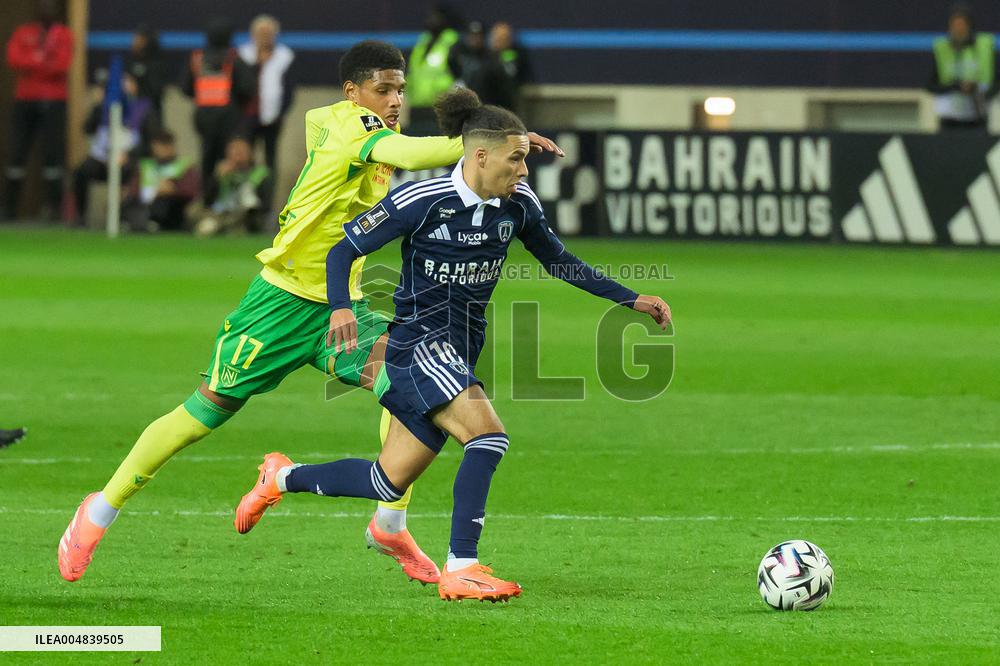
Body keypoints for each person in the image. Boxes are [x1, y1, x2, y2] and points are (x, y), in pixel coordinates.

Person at [56, 40, 562, 584]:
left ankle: (390, 521)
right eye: (383, 89)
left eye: (400, 89)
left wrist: (495, 146)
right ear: (353, 92)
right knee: (204, 412)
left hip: (341, 310)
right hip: (279, 302)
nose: (395, 100)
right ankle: (99, 509)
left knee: (410, 382)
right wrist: (482, 141)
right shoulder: (352, 127)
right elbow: (415, 156)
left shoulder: (376, 137)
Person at [234, 90, 670, 602]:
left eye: (525, 158)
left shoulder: (520, 205)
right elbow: (344, 248)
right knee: (488, 438)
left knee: (386, 481)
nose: (525, 171)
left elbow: (559, 260)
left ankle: (280, 477)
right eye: (516, 158)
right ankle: (462, 565)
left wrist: (630, 298)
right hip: (419, 343)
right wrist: (341, 307)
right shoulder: (420, 200)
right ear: (479, 156)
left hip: (459, 348)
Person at [3, 0, 74, 221]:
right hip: (25, 99)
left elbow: (62, 65)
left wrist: (35, 62)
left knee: (53, 155)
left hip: (54, 100)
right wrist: (41, 61)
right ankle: (9, 209)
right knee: (16, 153)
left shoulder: (64, 34)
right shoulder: (24, 32)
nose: (46, 10)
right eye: (42, 6)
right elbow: (14, 59)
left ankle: (53, 210)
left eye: (50, 6)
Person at [181, 18, 255, 202]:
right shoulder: (234, 59)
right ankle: (227, 203)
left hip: (204, 121)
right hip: (229, 120)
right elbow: (248, 88)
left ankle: (207, 203)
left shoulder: (197, 59)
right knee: (230, 163)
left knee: (207, 162)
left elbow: (185, 88)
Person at [73, 73, 159, 226]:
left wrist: (130, 154)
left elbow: (150, 141)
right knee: (80, 172)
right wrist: (98, 106)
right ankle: (81, 217)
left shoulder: (143, 109)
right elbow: (87, 128)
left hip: (130, 160)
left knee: (134, 173)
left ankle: (126, 217)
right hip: (102, 159)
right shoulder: (103, 108)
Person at [238, 14, 295, 176]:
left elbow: (289, 89)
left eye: (268, 34)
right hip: (247, 116)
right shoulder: (242, 56)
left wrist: (281, 112)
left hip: (273, 117)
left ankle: (267, 197)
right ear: (253, 35)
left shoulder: (285, 57)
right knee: (245, 157)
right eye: (261, 34)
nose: (264, 38)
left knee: (271, 158)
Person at [928, 4, 999, 131]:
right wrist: (956, 86)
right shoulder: (942, 48)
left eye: (962, 25)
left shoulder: (985, 46)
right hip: (949, 117)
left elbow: (996, 81)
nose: (958, 29)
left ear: (969, 26)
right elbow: (930, 85)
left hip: (978, 115)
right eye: (955, 25)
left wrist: (982, 96)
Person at [121, 129, 198, 232]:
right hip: (145, 203)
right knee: (129, 202)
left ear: (172, 146)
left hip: (170, 205)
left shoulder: (183, 165)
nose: (161, 149)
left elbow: (191, 191)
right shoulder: (146, 165)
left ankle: (150, 224)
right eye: (158, 145)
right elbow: (133, 189)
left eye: (164, 145)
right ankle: (137, 223)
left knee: (165, 204)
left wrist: (173, 190)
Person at [195, 135, 272, 236]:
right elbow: (207, 198)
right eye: (234, 151)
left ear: (250, 153)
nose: (237, 155)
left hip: (244, 215)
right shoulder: (222, 171)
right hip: (219, 212)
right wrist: (217, 178)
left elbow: (265, 203)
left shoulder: (259, 173)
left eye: (241, 151)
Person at [406, 5, 461, 136]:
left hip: (440, 106)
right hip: (417, 105)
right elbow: (414, 72)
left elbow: (459, 76)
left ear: (445, 20)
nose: (431, 20)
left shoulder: (453, 43)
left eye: (436, 17)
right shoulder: (423, 42)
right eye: (430, 17)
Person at [485, 22, 532, 111]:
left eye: (504, 38)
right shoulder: (484, 57)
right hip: (487, 103)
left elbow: (522, 75)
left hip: (509, 104)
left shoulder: (517, 55)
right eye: (498, 38)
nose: (501, 41)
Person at [124, 25, 166, 118]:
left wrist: (137, 89)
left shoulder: (156, 63)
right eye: (134, 38)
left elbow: (156, 91)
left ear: (147, 41)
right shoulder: (131, 60)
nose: (134, 42)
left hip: (150, 112)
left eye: (139, 39)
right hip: (131, 108)